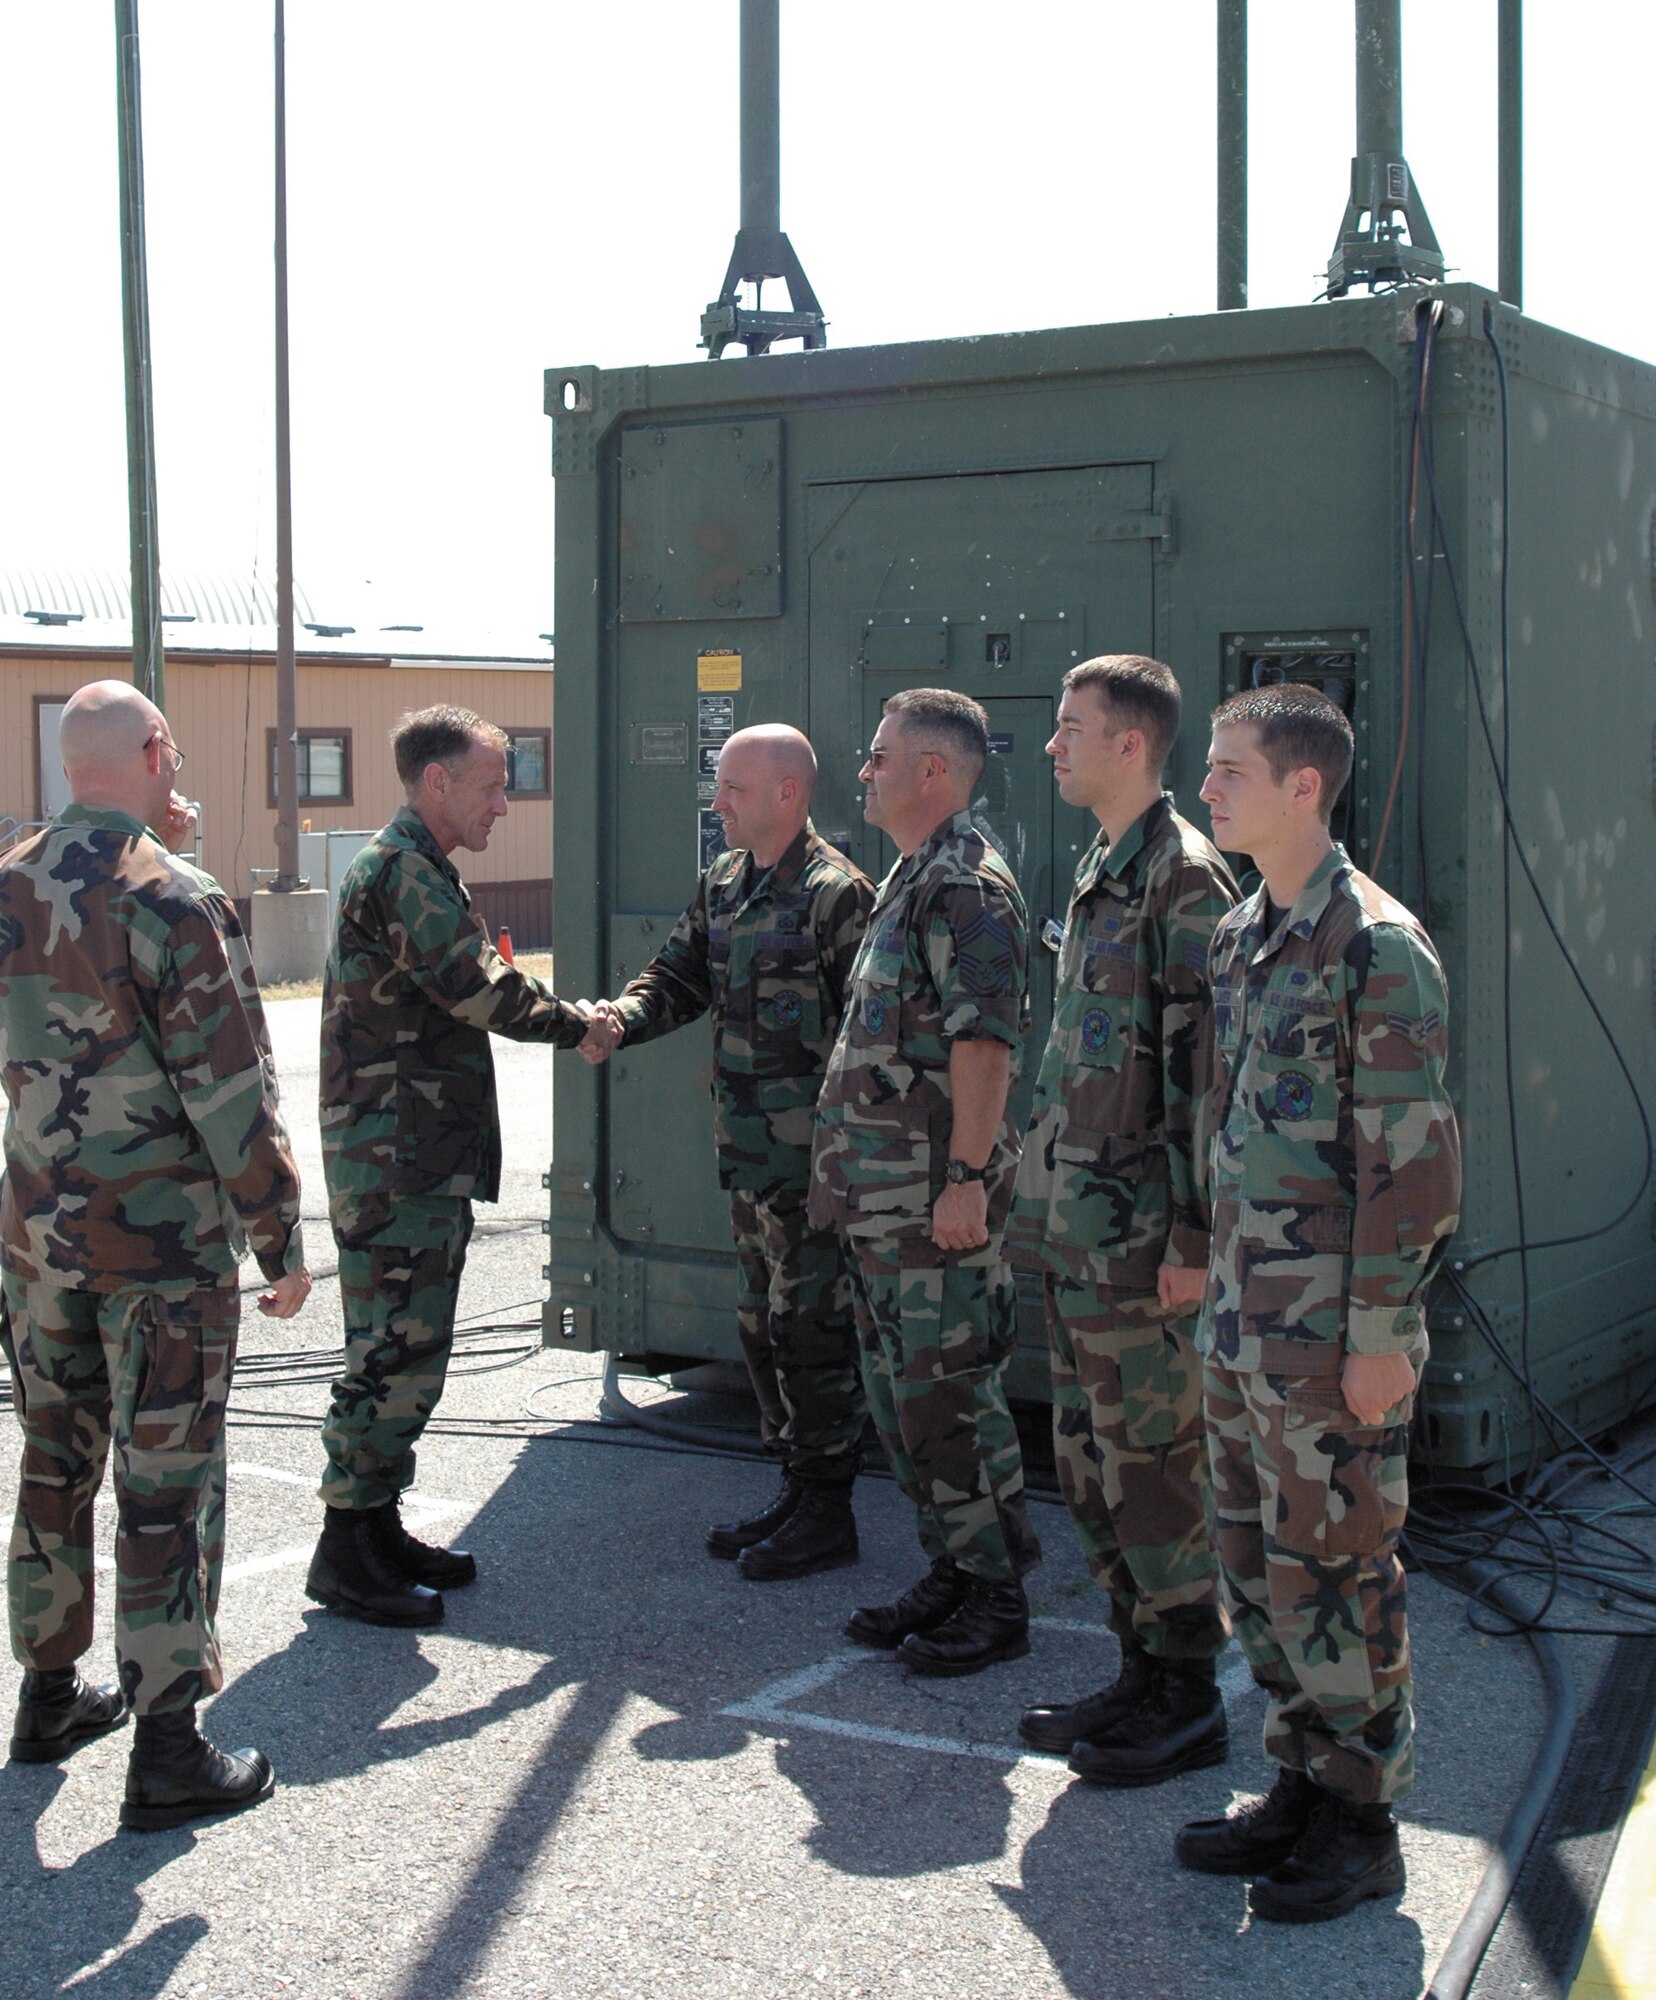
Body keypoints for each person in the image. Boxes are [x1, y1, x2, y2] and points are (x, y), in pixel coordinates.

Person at [0, 679, 309, 1830]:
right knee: (168, 1481)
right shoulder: (174, 896)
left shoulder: (11, 876)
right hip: (161, 1250)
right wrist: (277, 1231)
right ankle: (169, 1744)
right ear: (153, 749)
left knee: (52, 1458)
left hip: (37, 1235)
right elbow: (227, 1088)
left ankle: (46, 1693)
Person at [1176, 682, 1460, 1922]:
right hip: (1244, 1317)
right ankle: (1300, 1777)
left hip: (1333, 1332)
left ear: (1304, 787)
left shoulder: (1374, 944)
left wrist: (1384, 1337)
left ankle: (1363, 1821)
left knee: (1340, 1567)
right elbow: (1226, 1123)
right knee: (1253, 1562)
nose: (1208, 789)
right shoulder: (1245, 932)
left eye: (1231, 770)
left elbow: (1414, 1161)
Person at [307, 705, 595, 1628]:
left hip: (415, 1153)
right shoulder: (402, 872)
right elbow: (476, 986)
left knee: (410, 1347)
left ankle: (375, 1524)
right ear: (438, 781)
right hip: (396, 1159)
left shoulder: (419, 868)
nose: (504, 803)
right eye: (492, 783)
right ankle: (346, 1549)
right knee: (394, 1352)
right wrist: (578, 1024)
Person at [1009, 656, 1239, 1784]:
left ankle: (1188, 1692)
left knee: (1154, 1467)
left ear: (1131, 744)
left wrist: (1195, 1239)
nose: (1052, 744)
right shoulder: (1109, 863)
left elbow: (1208, 1076)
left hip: (1148, 1242)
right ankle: (1139, 1666)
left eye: (1070, 727)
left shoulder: (1184, 879)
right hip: (1081, 1230)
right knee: (1091, 1461)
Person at [580, 726, 875, 1579]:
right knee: (762, 1325)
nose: (717, 804)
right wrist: (618, 1023)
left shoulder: (837, 895)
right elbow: (675, 976)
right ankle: (795, 1483)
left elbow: (867, 1041)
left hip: (813, 1171)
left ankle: (828, 1507)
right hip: (747, 1160)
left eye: (733, 789)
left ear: (787, 793)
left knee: (811, 1331)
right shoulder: (724, 883)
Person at [809, 687, 1040, 1676]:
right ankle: (950, 1564)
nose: (863, 770)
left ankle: (994, 1593)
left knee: (949, 1397)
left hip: (933, 1203)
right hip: (880, 1201)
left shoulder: (968, 888)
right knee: (903, 1399)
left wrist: (965, 1179)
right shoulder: (912, 876)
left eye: (878, 756)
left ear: (932, 771)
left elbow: (984, 1045)